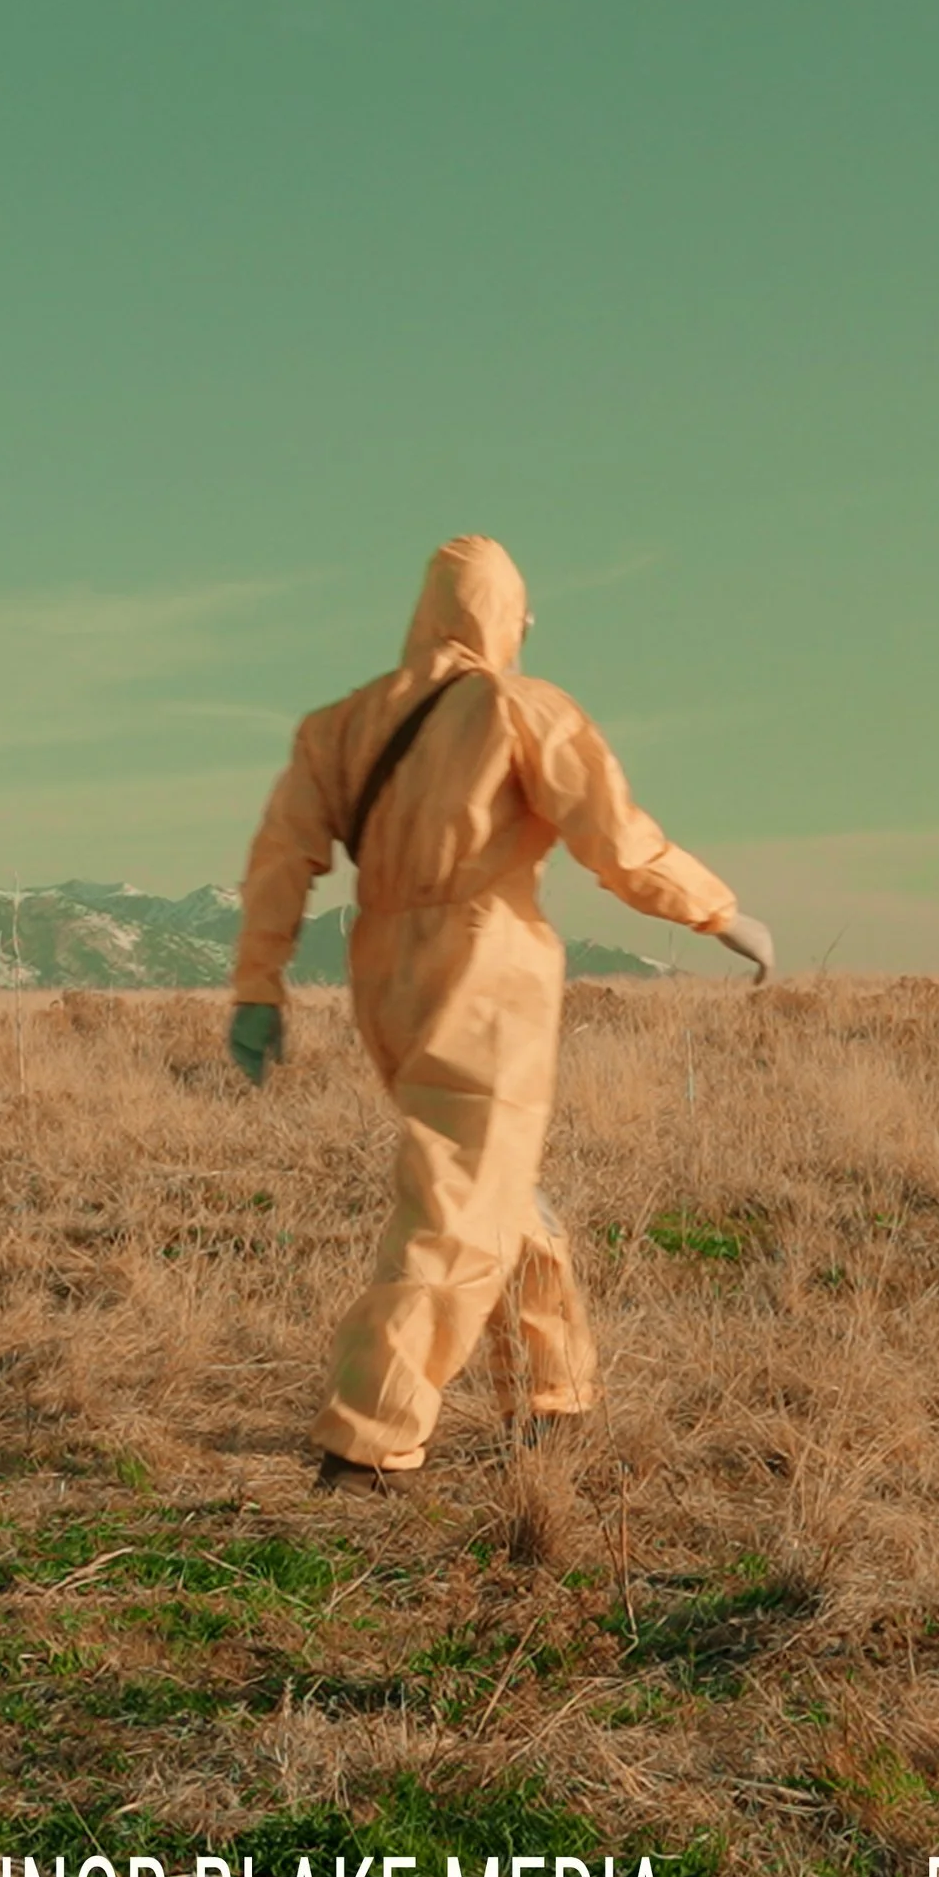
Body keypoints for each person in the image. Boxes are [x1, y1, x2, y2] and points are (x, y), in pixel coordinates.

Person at [228, 534, 772, 1486]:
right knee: (459, 1210)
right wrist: (718, 912)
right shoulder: (521, 707)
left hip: (385, 977)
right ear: (500, 613)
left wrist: (258, 990)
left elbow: (281, 866)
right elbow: (618, 841)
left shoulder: (339, 725)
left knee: (498, 1184)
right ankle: (366, 1440)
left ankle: (554, 1392)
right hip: (488, 971)